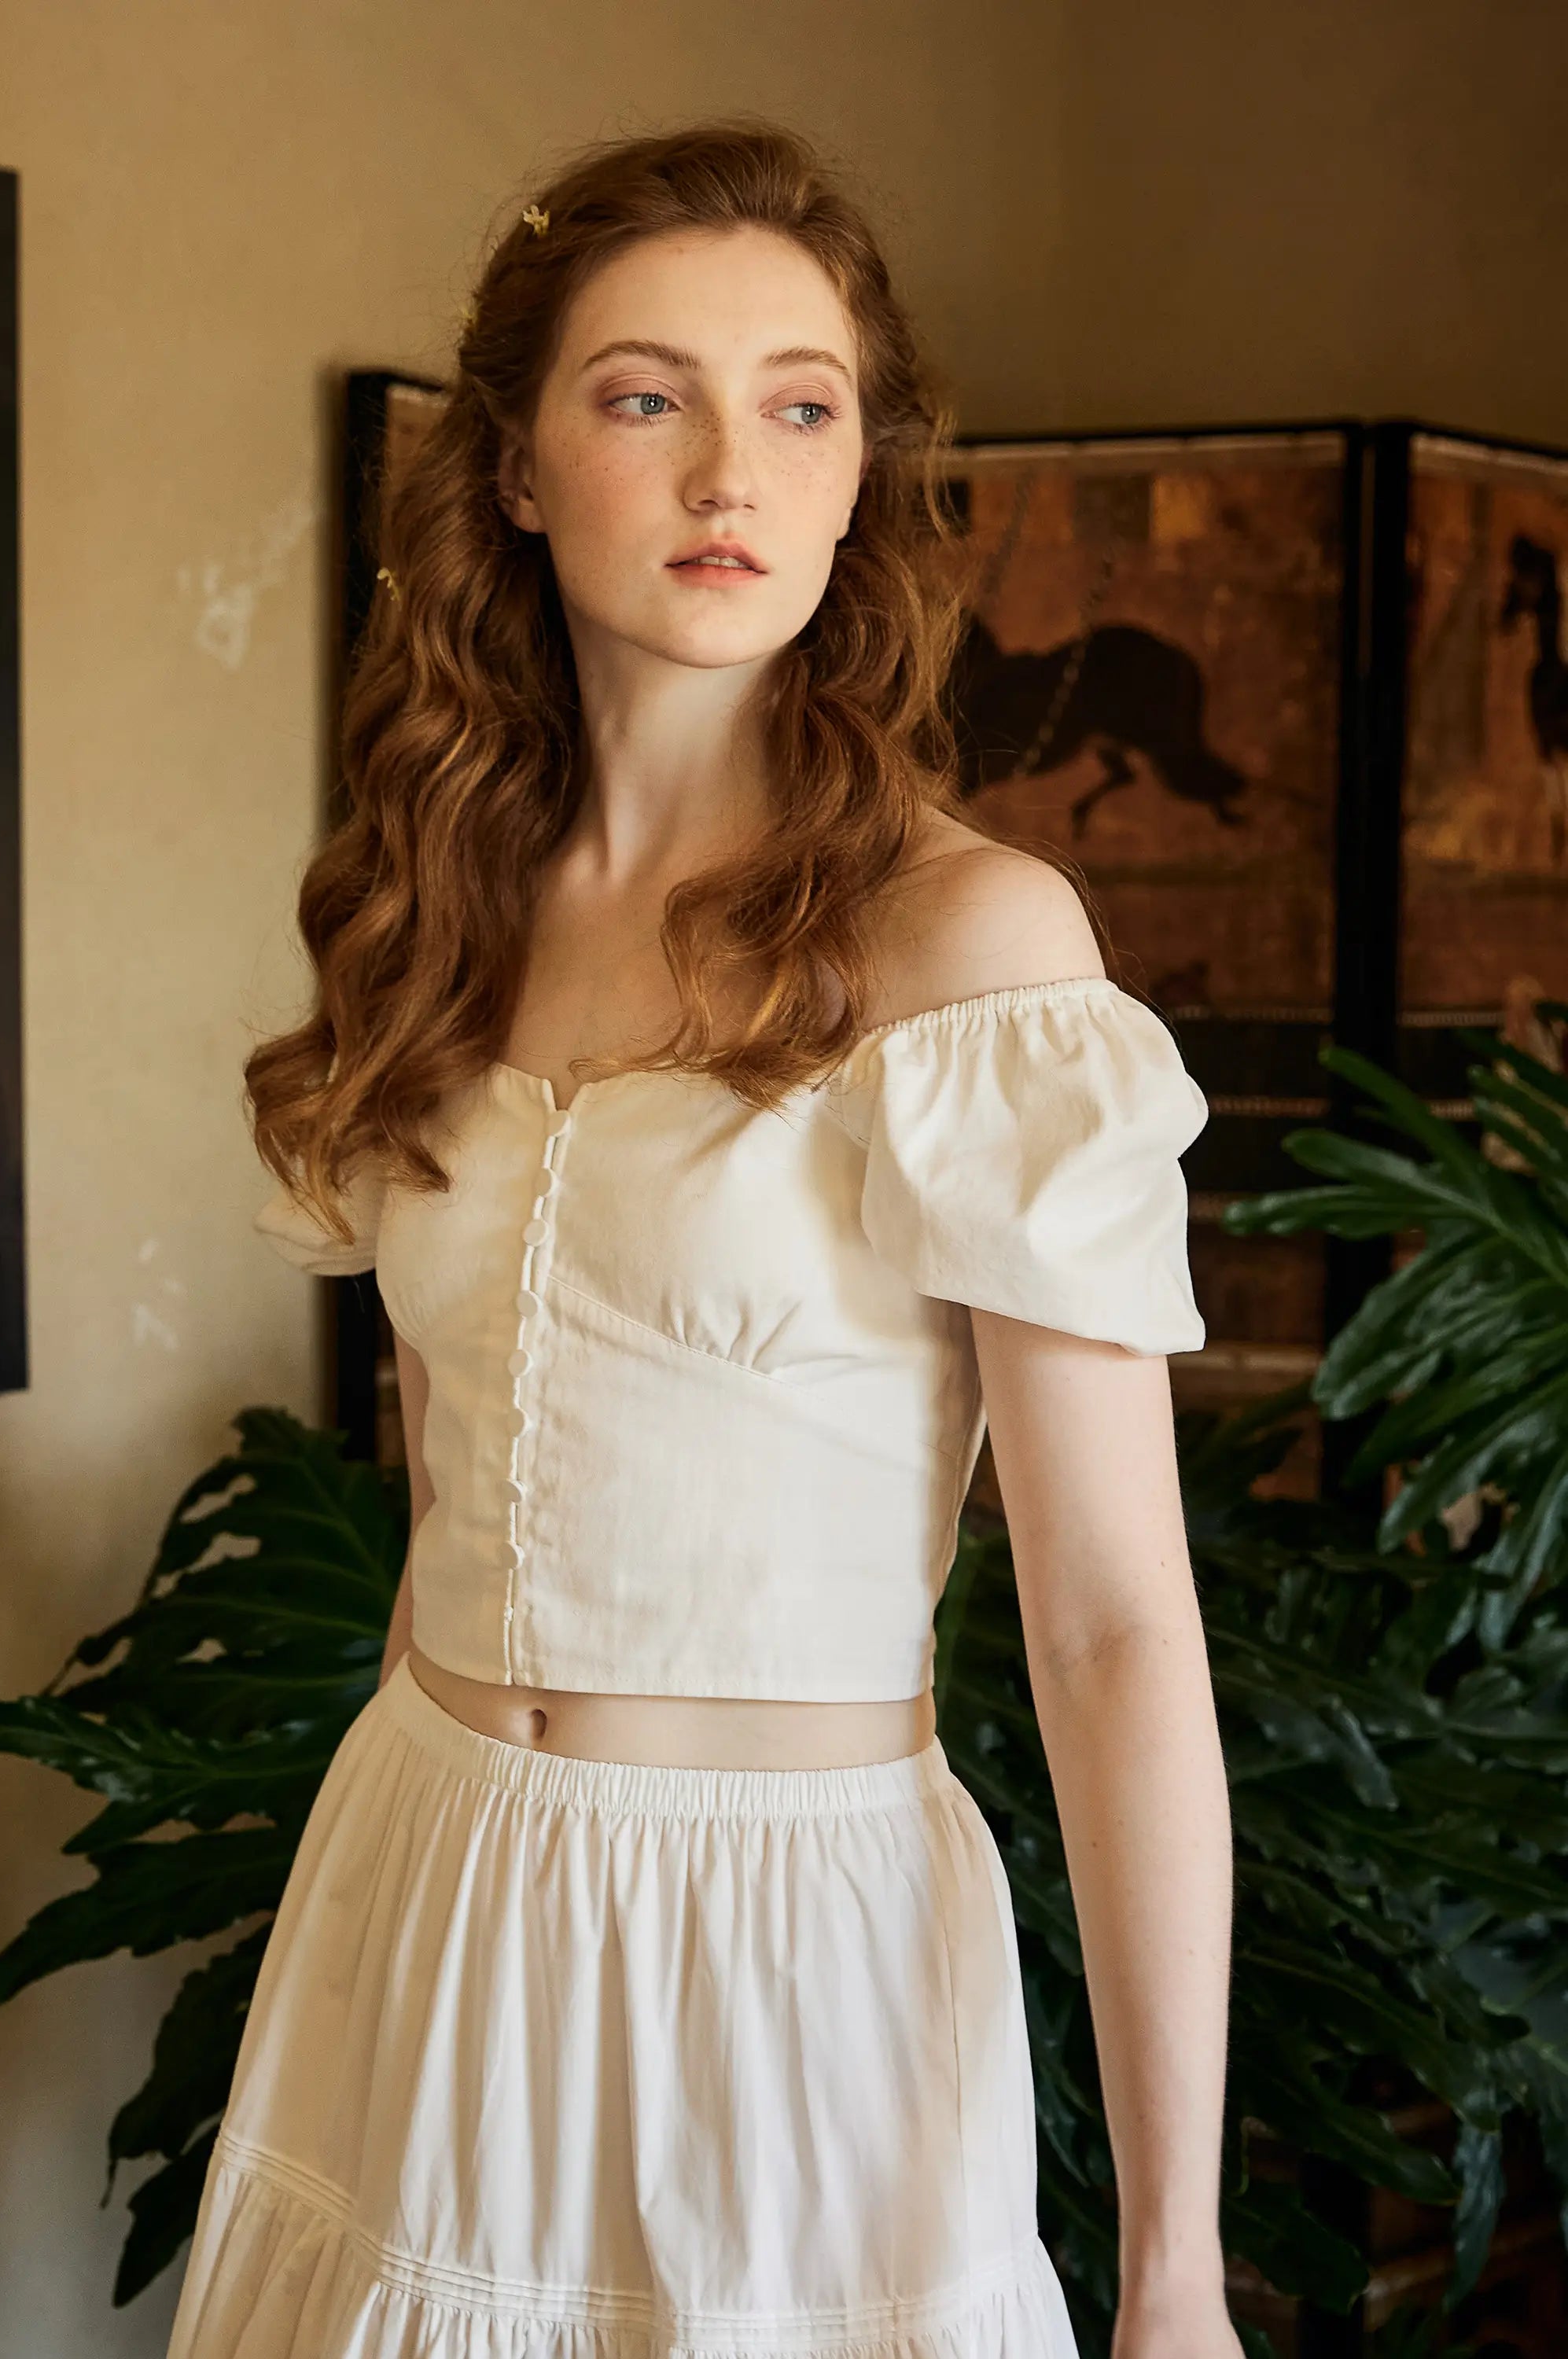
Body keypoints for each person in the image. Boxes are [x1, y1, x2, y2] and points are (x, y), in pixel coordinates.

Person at [166, 122, 1241, 2359]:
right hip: (431, 1885)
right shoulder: (437, 914)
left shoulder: (964, 944)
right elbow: (457, 1478)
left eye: (801, 404)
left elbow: (1117, 1629)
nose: (728, 469)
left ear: (858, 485)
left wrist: (1169, 2278)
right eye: (646, 397)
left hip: (790, 1951)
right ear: (526, 473)